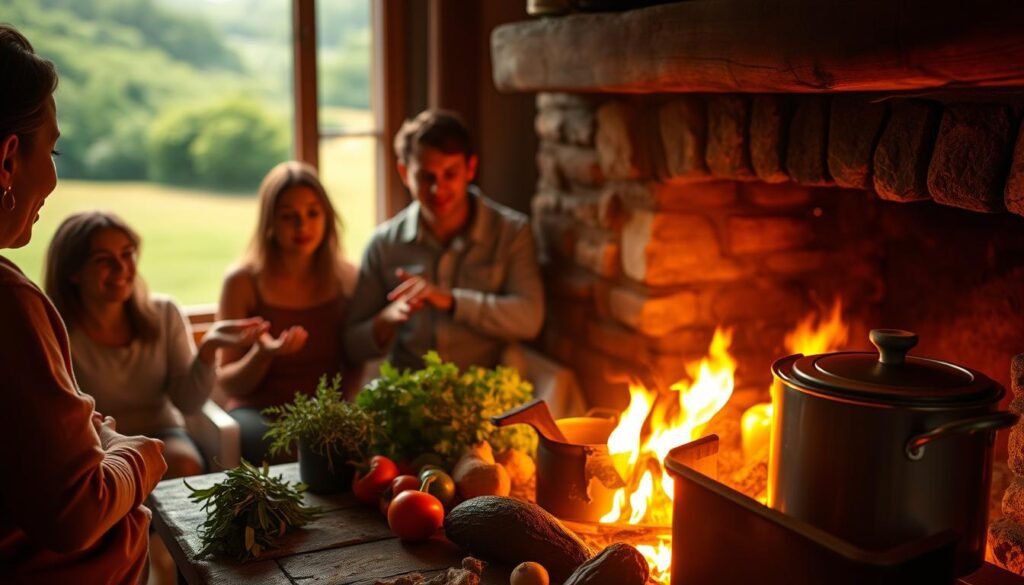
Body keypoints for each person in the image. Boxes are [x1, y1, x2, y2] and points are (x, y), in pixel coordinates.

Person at [0, 24, 167, 584]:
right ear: (7, 161)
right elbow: (76, 513)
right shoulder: (10, 303)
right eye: (53, 149)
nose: (51, 175)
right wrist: (139, 456)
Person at [43, 211, 265, 478]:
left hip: (162, 434)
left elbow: (188, 404)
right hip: (94, 444)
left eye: (127, 254)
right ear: (73, 273)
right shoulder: (55, 331)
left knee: (183, 463)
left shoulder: (164, 314)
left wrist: (208, 350)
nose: (121, 268)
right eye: (103, 260)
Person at [345, 110, 544, 372]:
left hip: (489, 394)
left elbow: (530, 320)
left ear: (470, 168)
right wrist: (386, 320)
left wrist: (451, 300)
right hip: (410, 397)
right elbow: (352, 345)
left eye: (450, 174)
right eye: (426, 177)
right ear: (404, 173)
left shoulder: (512, 232)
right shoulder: (383, 244)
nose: (438, 190)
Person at [216, 161, 360, 464]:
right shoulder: (242, 282)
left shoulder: (347, 278)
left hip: (323, 413)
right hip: (258, 412)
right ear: (269, 222)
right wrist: (262, 354)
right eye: (288, 216)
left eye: (312, 213)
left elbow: (355, 359)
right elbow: (228, 381)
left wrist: (347, 407)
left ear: (328, 218)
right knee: (297, 450)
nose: (302, 226)